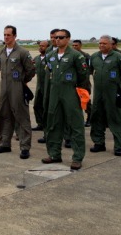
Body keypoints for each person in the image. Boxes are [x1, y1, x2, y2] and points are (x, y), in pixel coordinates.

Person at [41, 29, 89, 170]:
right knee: (53, 124)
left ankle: (77, 157)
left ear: (68, 39)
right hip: (54, 94)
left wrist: (80, 93)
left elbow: (83, 76)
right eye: (55, 37)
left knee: (76, 125)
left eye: (61, 37)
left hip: (71, 93)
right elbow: (48, 75)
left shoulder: (76, 56)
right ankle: (54, 154)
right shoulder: (50, 56)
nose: (57, 40)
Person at [0, 25, 36, 159]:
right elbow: (2, 68)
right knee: (4, 114)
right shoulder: (1, 52)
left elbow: (31, 70)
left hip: (17, 87)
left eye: (9, 35)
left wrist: (22, 81)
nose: (6, 37)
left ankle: (25, 147)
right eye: (4, 35)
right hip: (4, 88)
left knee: (21, 116)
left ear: (15, 36)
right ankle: (4, 143)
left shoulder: (22, 52)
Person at [89, 35, 121, 156]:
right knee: (97, 118)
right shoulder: (94, 57)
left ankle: (118, 146)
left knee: (116, 119)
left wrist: (119, 90)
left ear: (111, 44)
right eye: (100, 43)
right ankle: (99, 143)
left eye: (104, 43)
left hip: (113, 94)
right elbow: (91, 71)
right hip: (98, 94)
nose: (101, 45)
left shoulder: (119, 57)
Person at [72, 39, 92, 126]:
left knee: (86, 101)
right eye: (73, 45)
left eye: (76, 45)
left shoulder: (85, 56)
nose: (74, 47)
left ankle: (90, 118)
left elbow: (88, 70)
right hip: (74, 82)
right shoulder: (71, 55)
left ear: (80, 46)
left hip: (84, 82)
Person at [32, 40, 49, 132]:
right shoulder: (36, 59)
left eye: (43, 46)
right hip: (39, 86)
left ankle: (47, 125)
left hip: (48, 86)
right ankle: (40, 124)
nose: (40, 47)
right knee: (37, 105)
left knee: (47, 107)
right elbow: (31, 71)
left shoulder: (50, 58)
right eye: (40, 46)